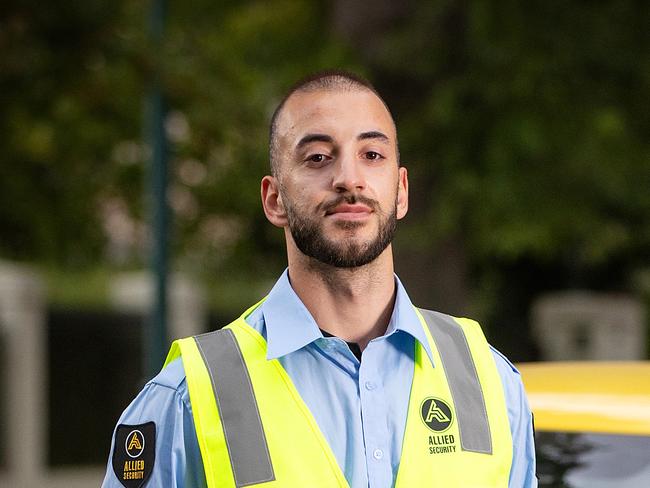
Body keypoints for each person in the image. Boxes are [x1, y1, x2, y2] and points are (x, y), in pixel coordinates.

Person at [102, 71, 537, 488]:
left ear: (401, 191)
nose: (349, 178)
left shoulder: (491, 383)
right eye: (317, 158)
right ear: (275, 200)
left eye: (372, 155)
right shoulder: (189, 397)